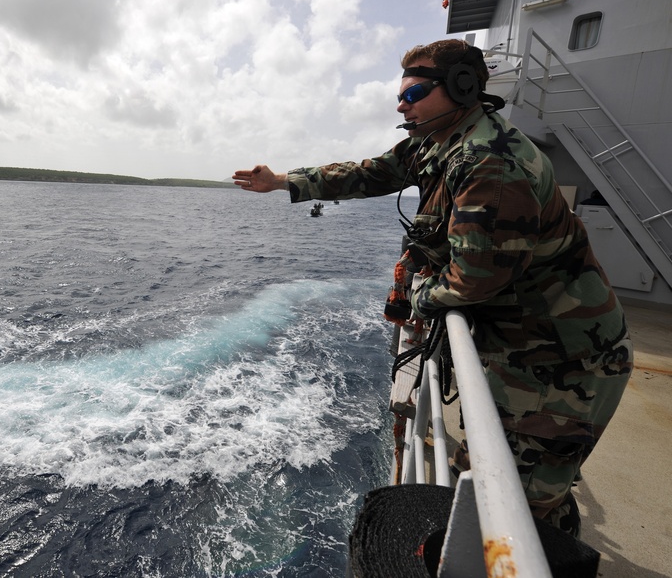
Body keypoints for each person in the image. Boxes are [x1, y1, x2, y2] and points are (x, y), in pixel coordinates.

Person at [232, 38, 633, 537]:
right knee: (505, 483)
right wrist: (284, 181)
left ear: (462, 89)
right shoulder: (436, 139)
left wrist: (421, 297)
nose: (401, 104)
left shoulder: (489, 162)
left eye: (414, 92)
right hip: (517, 342)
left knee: (518, 510)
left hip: (561, 356)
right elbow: (369, 173)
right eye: (400, 93)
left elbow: (473, 281)